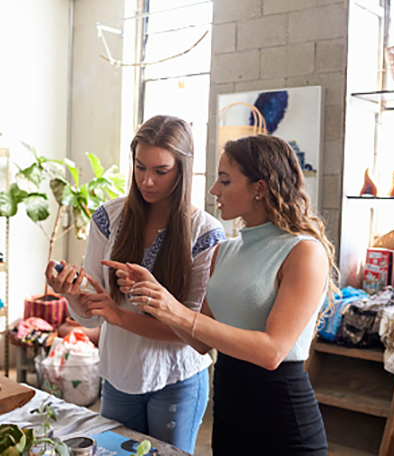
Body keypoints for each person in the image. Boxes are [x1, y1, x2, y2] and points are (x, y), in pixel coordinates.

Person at [102, 134, 339, 455]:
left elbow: (272, 351)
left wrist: (176, 310)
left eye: (225, 181)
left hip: (281, 419)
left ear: (260, 187)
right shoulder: (224, 252)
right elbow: (200, 341)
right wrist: (155, 297)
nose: (214, 190)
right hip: (228, 412)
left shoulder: (304, 252)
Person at [45, 115, 226, 454]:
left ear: (183, 170)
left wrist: (118, 315)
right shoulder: (108, 218)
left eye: (161, 171)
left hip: (177, 379)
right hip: (118, 375)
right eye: (140, 167)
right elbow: (92, 316)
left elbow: (194, 333)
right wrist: (70, 294)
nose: (147, 181)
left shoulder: (206, 234)